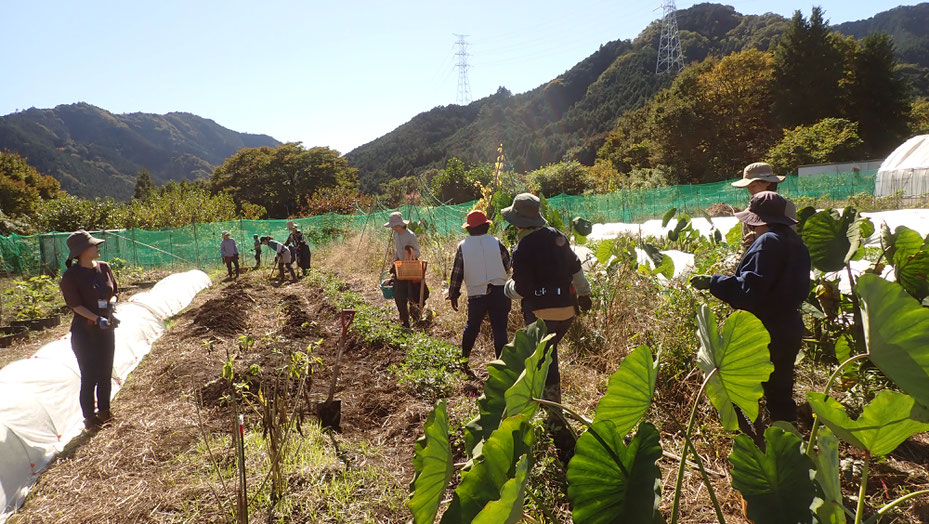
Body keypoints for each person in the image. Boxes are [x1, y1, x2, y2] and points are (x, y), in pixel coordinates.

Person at [691, 191, 811, 428]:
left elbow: (749, 292)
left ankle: (754, 442)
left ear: (759, 219)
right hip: (790, 327)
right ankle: (788, 441)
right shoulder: (796, 242)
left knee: (745, 390)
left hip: (764, 329)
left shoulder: (767, 242)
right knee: (780, 390)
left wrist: (714, 282)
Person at [501, 193, 592, 459]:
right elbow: (576, 268)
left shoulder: (523, 248)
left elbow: (524, 288)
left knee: (546, 361)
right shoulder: (556, 236)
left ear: (518, 223)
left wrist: (507, 290)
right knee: (548, 357)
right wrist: (585, 294)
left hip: (541, 315)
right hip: (567, 312)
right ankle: (550, 409)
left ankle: (556, 422)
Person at [59, 230, 120, 431]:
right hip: (85, 333)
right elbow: (76, 305)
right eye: (94, 245)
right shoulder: (71, 277)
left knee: (105, 372)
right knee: (90, 375)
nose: (98, 247)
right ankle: (89, 419)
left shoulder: (104, 268)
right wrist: (97, 319)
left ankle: (105, 411)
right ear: (83, 251)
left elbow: (115, 292)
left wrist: (111, 306)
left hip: (106, 329)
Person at [447, 210, 511, 369]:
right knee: (500, 329)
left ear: (468, 229)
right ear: (486, 227)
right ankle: (501, 366)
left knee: (472, 326)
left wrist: (453, 294)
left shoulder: (463, 246)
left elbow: (457, 272)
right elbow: (508, 264)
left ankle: (464, 361)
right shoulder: (496, 242)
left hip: (476, 294)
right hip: (499, 291)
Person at [732, 162, 797, 250]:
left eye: (753, 186)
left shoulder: (786, 205)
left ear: (768, 183)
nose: (750, 191)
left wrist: (759, 236)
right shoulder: (749, 209)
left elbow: (789, 236)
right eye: (748, 187)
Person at [384, 212, 428, 328]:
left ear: (399, 225)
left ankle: (416, 320)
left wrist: (410, 250)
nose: (392, 228)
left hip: (412, 268)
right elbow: (397, 251)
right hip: (400, 268)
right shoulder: (396, 235)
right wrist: (394, 262)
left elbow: (418, 253)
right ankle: (404, 321)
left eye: (394, 226)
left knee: (413, 294)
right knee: (399, 294)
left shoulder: (410, 236)